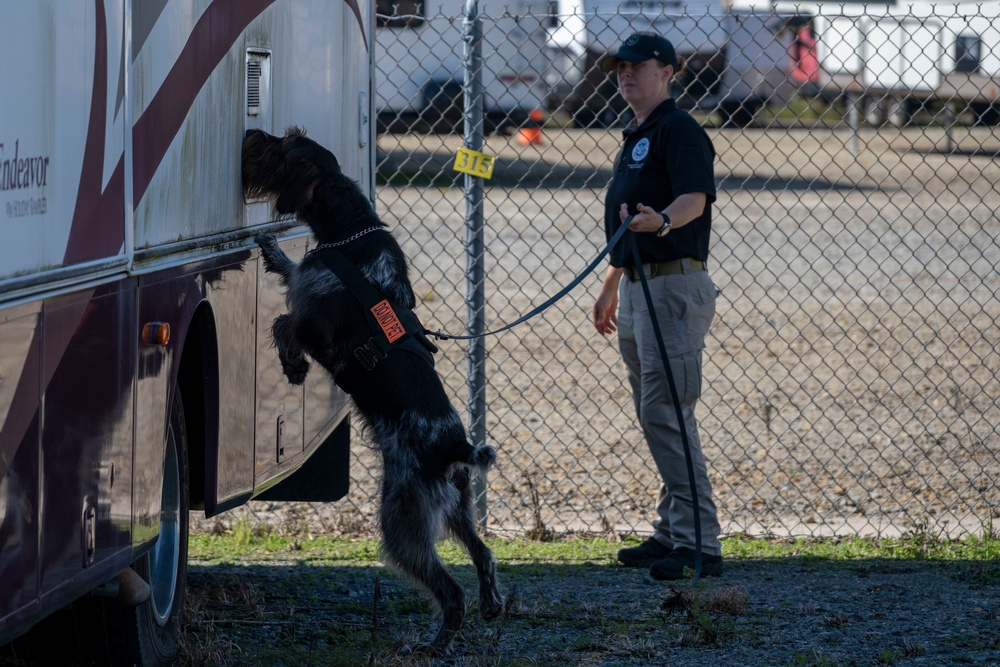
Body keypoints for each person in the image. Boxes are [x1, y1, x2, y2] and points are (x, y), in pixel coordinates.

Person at [590, 32, 723, 580]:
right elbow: (630, 219)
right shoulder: (637, 133)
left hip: (673, 287)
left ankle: (700, 544)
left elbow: (694, 198)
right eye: (620, 67)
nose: (625, 75)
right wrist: (611, 282)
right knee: (657, 413)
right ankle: (672, 532)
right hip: (641, 286)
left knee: (666, 411)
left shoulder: (680, 129)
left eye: (637, 66)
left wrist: (665, 220)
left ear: (667, 72)